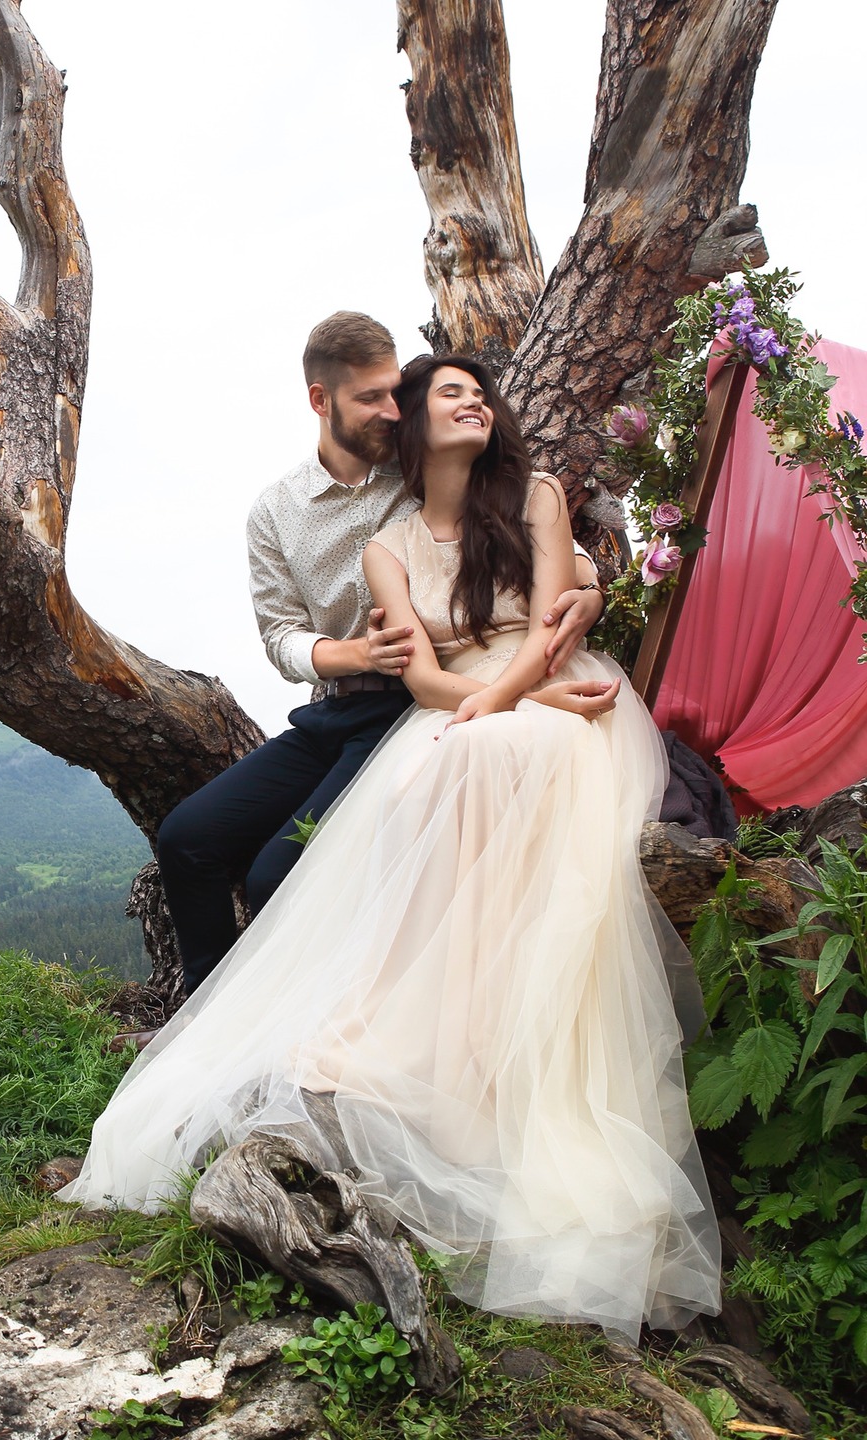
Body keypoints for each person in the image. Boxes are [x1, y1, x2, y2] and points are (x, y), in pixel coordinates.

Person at [62, 355, 721, 1339]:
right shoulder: (391, 549)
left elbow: (549, 629)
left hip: (561, 692)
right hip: (468, 708)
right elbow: (421, 683)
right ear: (411, 427)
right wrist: (493, 701)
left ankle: (503, 1045)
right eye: (448, 393)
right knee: (429, 771)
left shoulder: (534, 497)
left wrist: (509, 696)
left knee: (483, 756)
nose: (473, 401)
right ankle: (428, 1031)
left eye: (479, 392)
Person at [154, 313, 605, 1004]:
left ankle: (304, 1014)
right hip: (338, 707)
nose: (391, 411)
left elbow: (508, 528)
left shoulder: (420, 460)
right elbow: (279, 635)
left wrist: (589, 582)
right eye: (370, 398)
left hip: (414, 705)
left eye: (396, 393)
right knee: (187, 838)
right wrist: (351, 652)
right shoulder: (276, 512)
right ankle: (207, 1016)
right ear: (319, 400)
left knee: (287, 868)